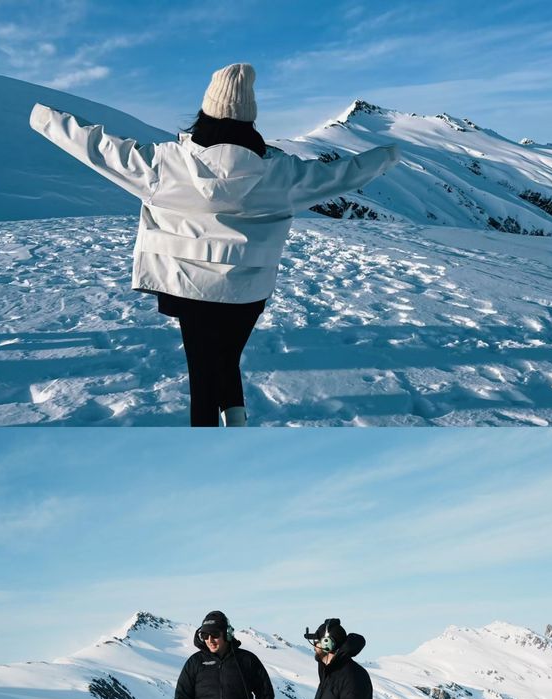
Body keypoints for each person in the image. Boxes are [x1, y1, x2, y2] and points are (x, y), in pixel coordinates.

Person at [28, 63, 401, 426]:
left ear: (205, 113)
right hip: (247, 290)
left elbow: (98, 147)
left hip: (186, 286)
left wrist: (44, 117)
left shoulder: (163, 164)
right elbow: (341, 175)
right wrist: (388, 155)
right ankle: (235, 420)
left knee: (204, 371)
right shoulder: (282, 173)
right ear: (250, 120)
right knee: (224, 360)